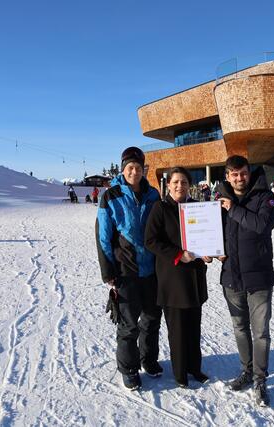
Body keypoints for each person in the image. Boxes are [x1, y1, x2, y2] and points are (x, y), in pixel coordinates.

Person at [95, 146, 163, 391]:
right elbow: (103, 236)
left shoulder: (153, 194)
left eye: (138, 167)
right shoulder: (110, 196)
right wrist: (108, 272)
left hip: (152, 269)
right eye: (129, 167)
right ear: (123, 169)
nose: (134, 171)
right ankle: (129, 368)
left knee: (152, 319)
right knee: (129, 325)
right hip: (126, 270)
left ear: (144, 169)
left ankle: (149, 360)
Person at [215, 155, 274, 407]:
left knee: (260, 332)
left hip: (259, 277)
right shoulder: (219, 202)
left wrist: (234, 208)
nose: (239, 178)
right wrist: (211, 249)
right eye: (234, 174)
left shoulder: (266, 197)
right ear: (227, 176)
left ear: (249, 173)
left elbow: (262, 225)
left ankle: (260, 379)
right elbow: (213, 232)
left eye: (243, 173)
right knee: (239, 328)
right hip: (231, 276)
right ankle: (246, 371)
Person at [144, 167, 210, 388]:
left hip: (194, 277)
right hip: (173, 279)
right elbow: (151, 240)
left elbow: (206, 236)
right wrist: (178, 254)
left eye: (183, 182)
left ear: (189, 185)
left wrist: (208, 252)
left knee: (194, 327)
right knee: (178, 330)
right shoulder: (160, 208)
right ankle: (180, 374)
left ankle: (195, 368)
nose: (179, 186)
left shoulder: (196, 208)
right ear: (168, 185)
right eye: (175, 182)